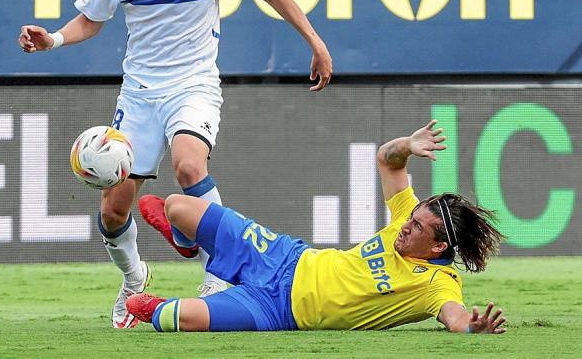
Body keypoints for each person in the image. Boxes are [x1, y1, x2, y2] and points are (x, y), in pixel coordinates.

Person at [18, 0, 332, 329]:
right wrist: (54, 41)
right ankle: (133, 280)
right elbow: (91, 19)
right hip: (140, 94)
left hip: (194, 85)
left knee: (190, 165)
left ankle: (217, 270)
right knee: (112, 211)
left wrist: (317, 43)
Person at [129, 120, 507, 334]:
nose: (407, 226)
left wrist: (474, 328)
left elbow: (454, 317)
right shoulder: (405, 219)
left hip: (279, 311)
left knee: (175, 319)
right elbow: (387, 161)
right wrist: (407, 145)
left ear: (438, 248)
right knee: (176, 206)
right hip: (282, 257)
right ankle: (184, 241)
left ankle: (165, 303)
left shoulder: (435, 284)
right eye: (411, 218)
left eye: (418, 227)